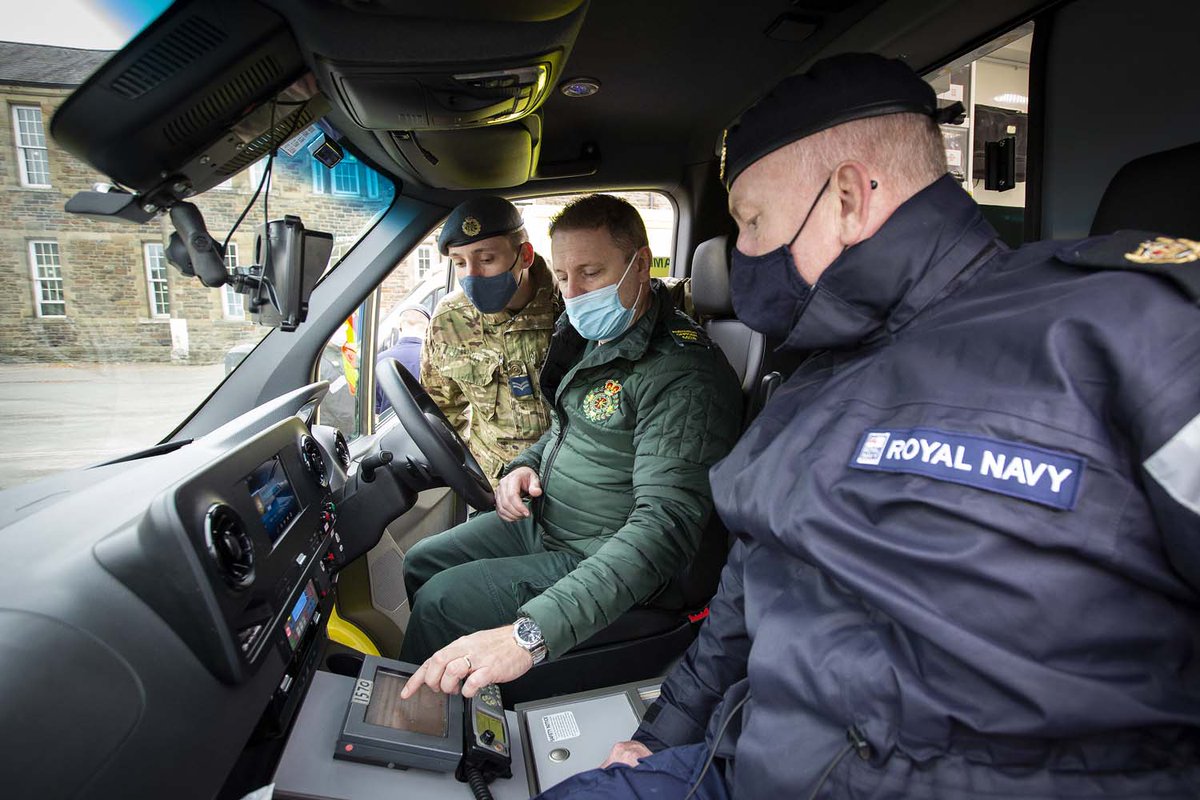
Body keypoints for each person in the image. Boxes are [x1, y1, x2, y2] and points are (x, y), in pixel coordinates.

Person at [540, 54, 1200, 799]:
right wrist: (659, 738)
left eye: (752, 222)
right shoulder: (806, 385)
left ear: (847, 197)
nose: (737, 255)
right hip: (746, 764)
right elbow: (742, 604)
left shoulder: (1139, 333)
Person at [397, 194, 743, 688]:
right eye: (563, 277)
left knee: (442, 601)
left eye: (591, 273)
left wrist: (528, 634)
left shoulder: (684, 374)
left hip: (600, 548)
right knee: (422, 561)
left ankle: (421, 721)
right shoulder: (599, 337)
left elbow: (663, 530)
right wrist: (524, 463)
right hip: (550, 517)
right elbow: (567, 428)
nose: (574, 292)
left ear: (640, 265)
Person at [420, 196, 562, 488]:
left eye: (486, 259)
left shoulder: (570, 305)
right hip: (496, 485)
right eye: (459, 263)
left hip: (569, 480)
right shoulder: (450, 320)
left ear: (525, 256)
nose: (471, 274)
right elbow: (441, 409)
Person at [375, 305, 429, 414]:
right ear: (429, 328)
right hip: (431, 428)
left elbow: (374, 410)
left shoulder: (379, 361)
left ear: (399, 326)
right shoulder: (436, 359)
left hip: (391, 430)